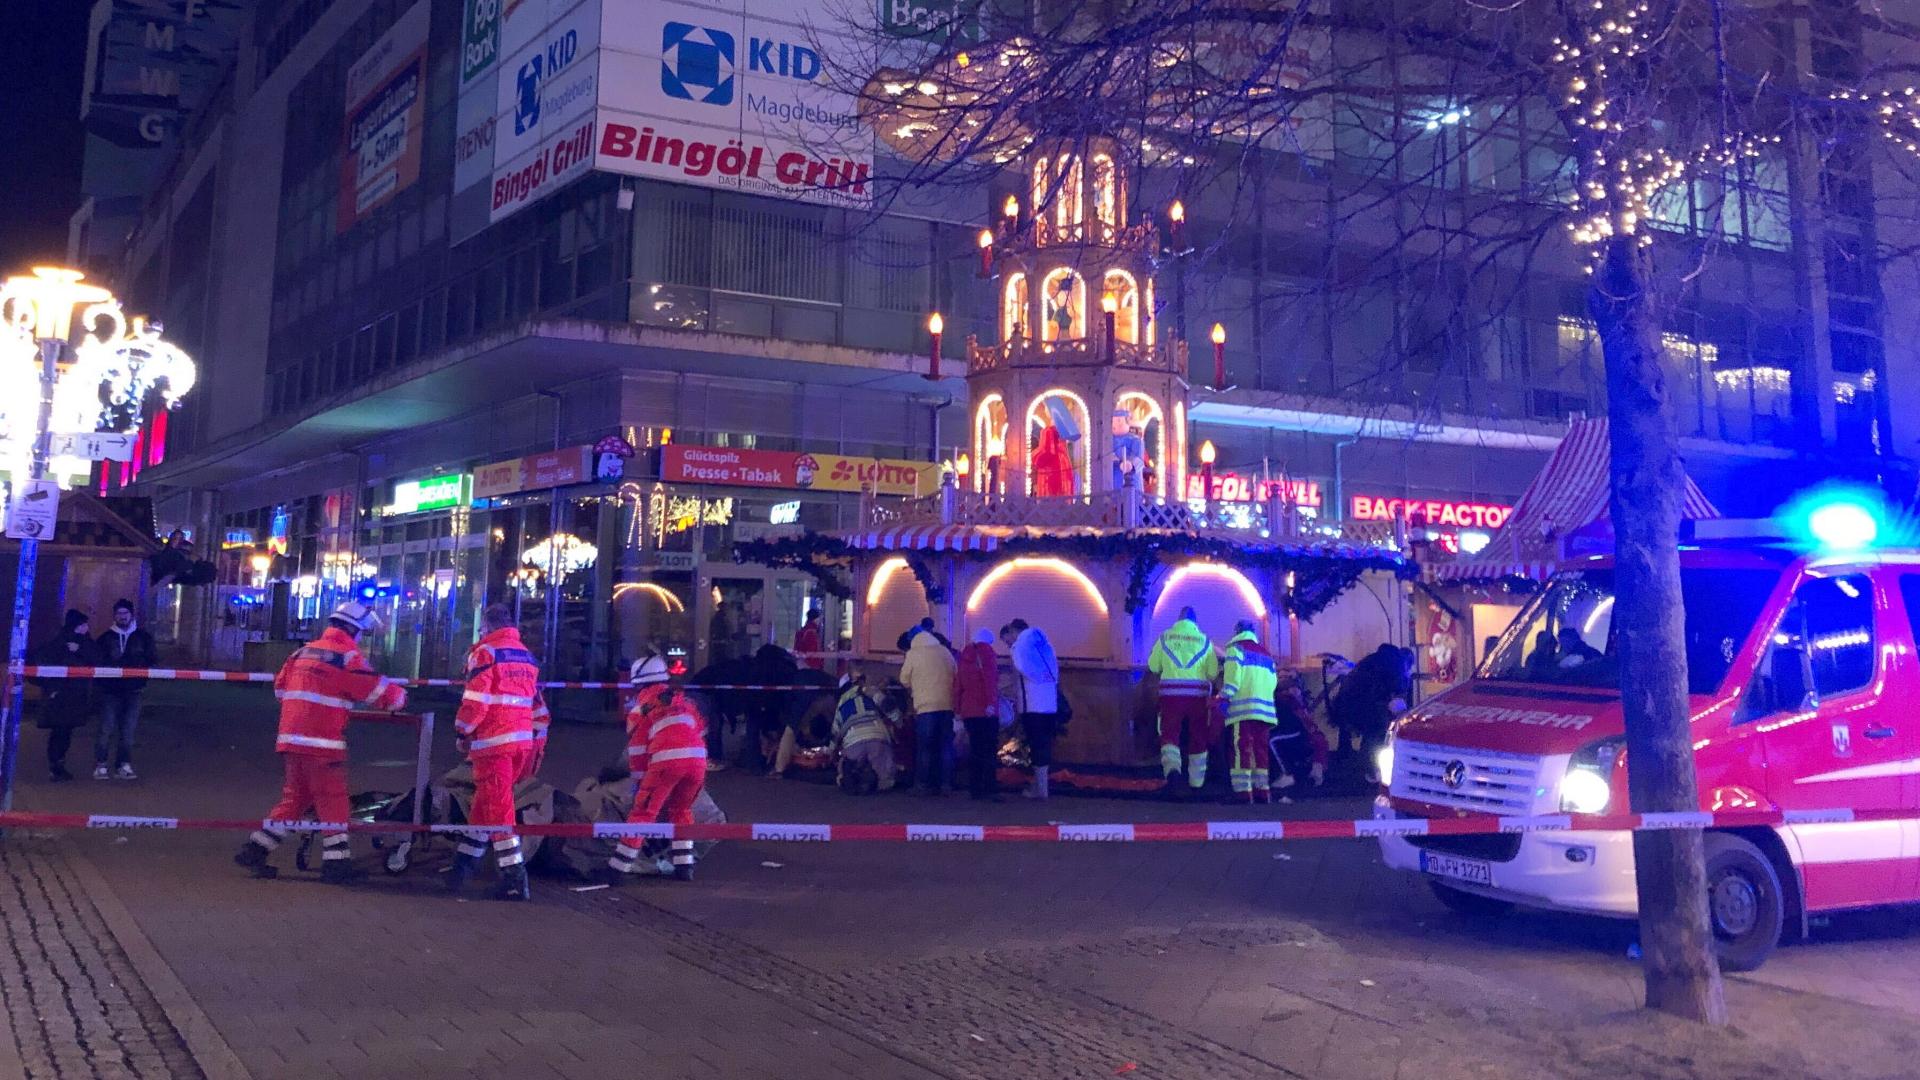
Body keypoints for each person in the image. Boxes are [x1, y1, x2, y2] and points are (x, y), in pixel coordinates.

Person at [234, 601, 405, 883]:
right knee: (333, 799)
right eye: (361, 632)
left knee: (296, 798)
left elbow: (280, 688)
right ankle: (336, 865)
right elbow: (382, 693)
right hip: (322, 743)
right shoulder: (347, 657)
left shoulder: (303, 651)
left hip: (290, 739)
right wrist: (401, 698)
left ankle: (255, 848)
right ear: (353, 630)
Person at [448, 602, 541, 901]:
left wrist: (462, 730)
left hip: (493, 743)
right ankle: (463, 866)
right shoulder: (526, 655)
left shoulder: (486, 653)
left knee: (499, 811)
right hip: (520, 743)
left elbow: (476, 700)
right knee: (486, 805)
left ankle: (514, 877)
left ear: (487, 626)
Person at [605, 656, 706, 882]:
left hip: (666, 763)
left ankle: (617, 870)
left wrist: (639, 784)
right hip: (698, 762)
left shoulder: (641, 711)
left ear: (638, 684)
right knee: (682, 811)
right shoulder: (685, 703)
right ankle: (684, 866)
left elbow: (638, 752)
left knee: (642, 813)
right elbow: (699, 732)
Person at [1147, 607, 1220, 799]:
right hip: (1198, 696)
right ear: (1195, 622)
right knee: (1198, 736)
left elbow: (1153, 666)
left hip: (1170, 695)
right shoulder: (1205, 641)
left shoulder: (1165, 638)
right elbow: (1213, 673)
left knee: (1170, 734)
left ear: (1178, 620)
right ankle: (1196, 783)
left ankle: (1173, 773)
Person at [94, 598, 155, 780]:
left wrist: (134, 663)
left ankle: (124, 764)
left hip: (134, 690)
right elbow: (98, 660)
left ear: (131, 615)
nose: (122, 617)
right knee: (106, 728)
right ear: (114, 616)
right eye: (119, 614)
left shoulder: (143, 637)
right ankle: (101, 764)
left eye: (125, 614)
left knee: (128, 731)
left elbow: (152, 658)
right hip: (110, 691)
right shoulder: (105, 638)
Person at [1220, 621, 1279, 803]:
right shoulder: (1267, 655)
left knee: (1241, 750)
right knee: (1261, 751)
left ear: (1237, 631)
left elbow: (1232, 682)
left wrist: (1221, 698)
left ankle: (1243, 793)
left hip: (1242, 711)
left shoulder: (1235, 650)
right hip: (1265, 712)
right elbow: (1273, 683)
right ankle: (1262, 791)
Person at [33, 610, 96, 782]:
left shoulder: (84, 643)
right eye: (84, 624)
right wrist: (53, 688)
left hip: (74, 695)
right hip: (61, 695)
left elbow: (96, 658)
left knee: (65, 731)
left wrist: (80, 649)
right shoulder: (59, 643)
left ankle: (58, 764)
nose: (87, 627)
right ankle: (56, 765)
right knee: (60, 731)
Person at [899, 620, 959, 794]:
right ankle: (946, 784)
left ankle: (923, 785)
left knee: (925, 747)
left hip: (925, 707)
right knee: (946, 746)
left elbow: (904, 679)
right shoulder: (944, 651)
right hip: (947, 705)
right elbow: (955, 672)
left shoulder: (913, 654)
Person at [1003, 619, 1060, 800]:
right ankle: (1042, 786)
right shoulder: (1045, 644)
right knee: (1043, 745)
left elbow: (1021, 670)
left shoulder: (1020, 647)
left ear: (1013, 631)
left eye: (1008, 638)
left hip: (1032, 705)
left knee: (1036, 746)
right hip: (1049, 704)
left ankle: (1040, 789)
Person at [955, 628, 1003, 801]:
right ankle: (989, 788)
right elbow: (990, 681)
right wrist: (991, 703)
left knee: (975, 749)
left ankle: (975, 789)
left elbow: (958, 686)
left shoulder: (964, 657)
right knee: (989, 750)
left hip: (968, 709)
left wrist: (958, 709)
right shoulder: (987, 653)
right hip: (985, 709)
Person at [833, 671, 897, 794]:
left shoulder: (842, 702)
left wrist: (832, 753)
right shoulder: (872, 693)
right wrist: (898, 720)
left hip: (853, 743)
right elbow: (892, 712)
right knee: (886, 780)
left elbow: (835, 733)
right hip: (878, 739)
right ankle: (878, 781)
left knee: (846, 772)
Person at [1269, 667, 1328, 799]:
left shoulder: (1289, 698)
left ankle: (1287, 774)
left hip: (1296, 733)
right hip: (1293, 732)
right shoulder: (1286, 698)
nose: (1282, 680)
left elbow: (1307, 726)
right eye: (1280, 676)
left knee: (1271, 740)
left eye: (1286, 677)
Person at [793, 605, 826, 671]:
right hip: (809, 667)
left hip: (802, 664)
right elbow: (813, 651)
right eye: (820, 618)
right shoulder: (811, 632)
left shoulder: (804, 630)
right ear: (816, 619)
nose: (820, 622)